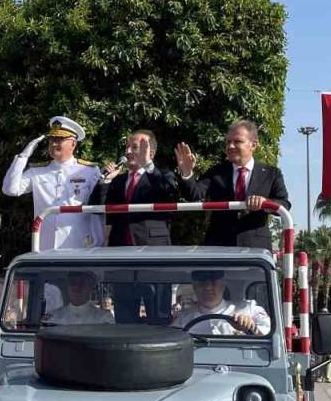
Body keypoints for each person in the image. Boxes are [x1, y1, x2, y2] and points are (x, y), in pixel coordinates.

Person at [175, 120, 291, 250]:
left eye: (237, 141)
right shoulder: (216, 172)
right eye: (228, 142)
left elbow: (284, 205)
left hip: (255, 250)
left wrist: (265, 203)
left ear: (253, 145)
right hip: (219, 247)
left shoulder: (271, 174)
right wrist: (187, 173)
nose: (230, 146)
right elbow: (194, 195)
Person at [2, 116, 105, 251]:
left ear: (73, 144)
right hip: (46, 246)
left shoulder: (89, 171)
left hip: (78, 244)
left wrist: (99, 241)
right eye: (51, 140)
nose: (53, 144)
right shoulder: (37, 171)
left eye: (59, 140)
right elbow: (10, 189)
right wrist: (22, 157)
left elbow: (98, 208)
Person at [93, 130, 181, 245]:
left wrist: (148, 166)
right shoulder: (118, 180)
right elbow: (96, 208)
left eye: (134, 147)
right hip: (119, 245)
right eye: (127, 147)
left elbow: (168, 195)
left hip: (152, 245)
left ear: (151, 154)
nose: (128, 152)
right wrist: (106, 180)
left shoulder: (164, 175)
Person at [171, 270, 271, 336]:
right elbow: (171, 342)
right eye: (202, 283)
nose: (207, 287)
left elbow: (271, 339)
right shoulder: (183, 318)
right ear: (194, 287)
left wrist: (250, 327)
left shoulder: (249, 308)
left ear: (223, 285)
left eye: (213, 282)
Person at [45, 272, 114, 325]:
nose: (77, 288)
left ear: (91, 288)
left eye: (83, 283)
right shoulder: (54, 317)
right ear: (68, 286)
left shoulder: (104, 318)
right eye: (73, 282)